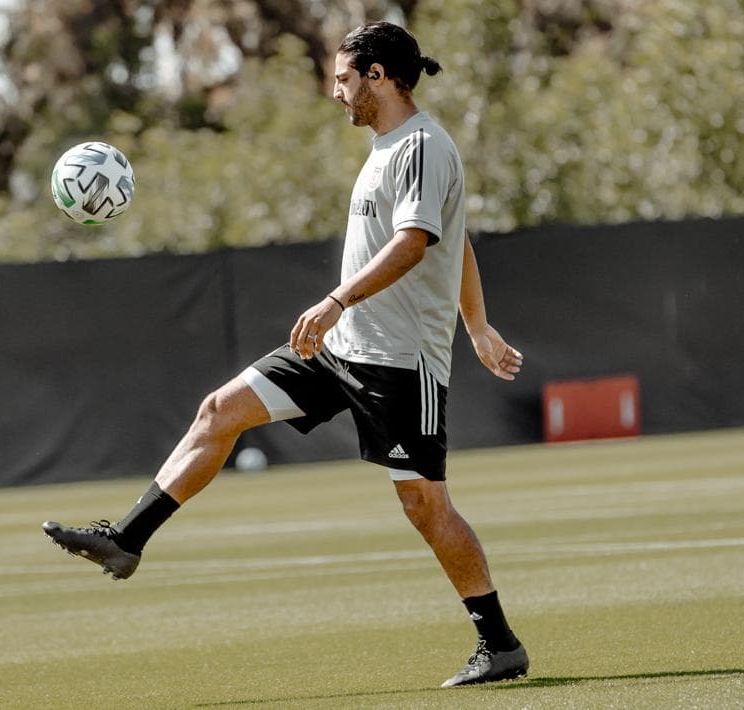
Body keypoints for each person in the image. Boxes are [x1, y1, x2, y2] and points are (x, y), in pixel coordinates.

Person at [43, 21, 529, 688]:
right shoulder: (389, 147)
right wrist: (476, 325)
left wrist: (339, 301)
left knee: (426, 508)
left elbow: (422, 241)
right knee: (219, 410)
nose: (335, 91)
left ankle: (498, 643)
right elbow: (457, 239)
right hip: (340, 349)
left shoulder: (421, 145)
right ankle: (126, 539)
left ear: (377, 77)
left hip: (398, 360)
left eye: (342, 78)